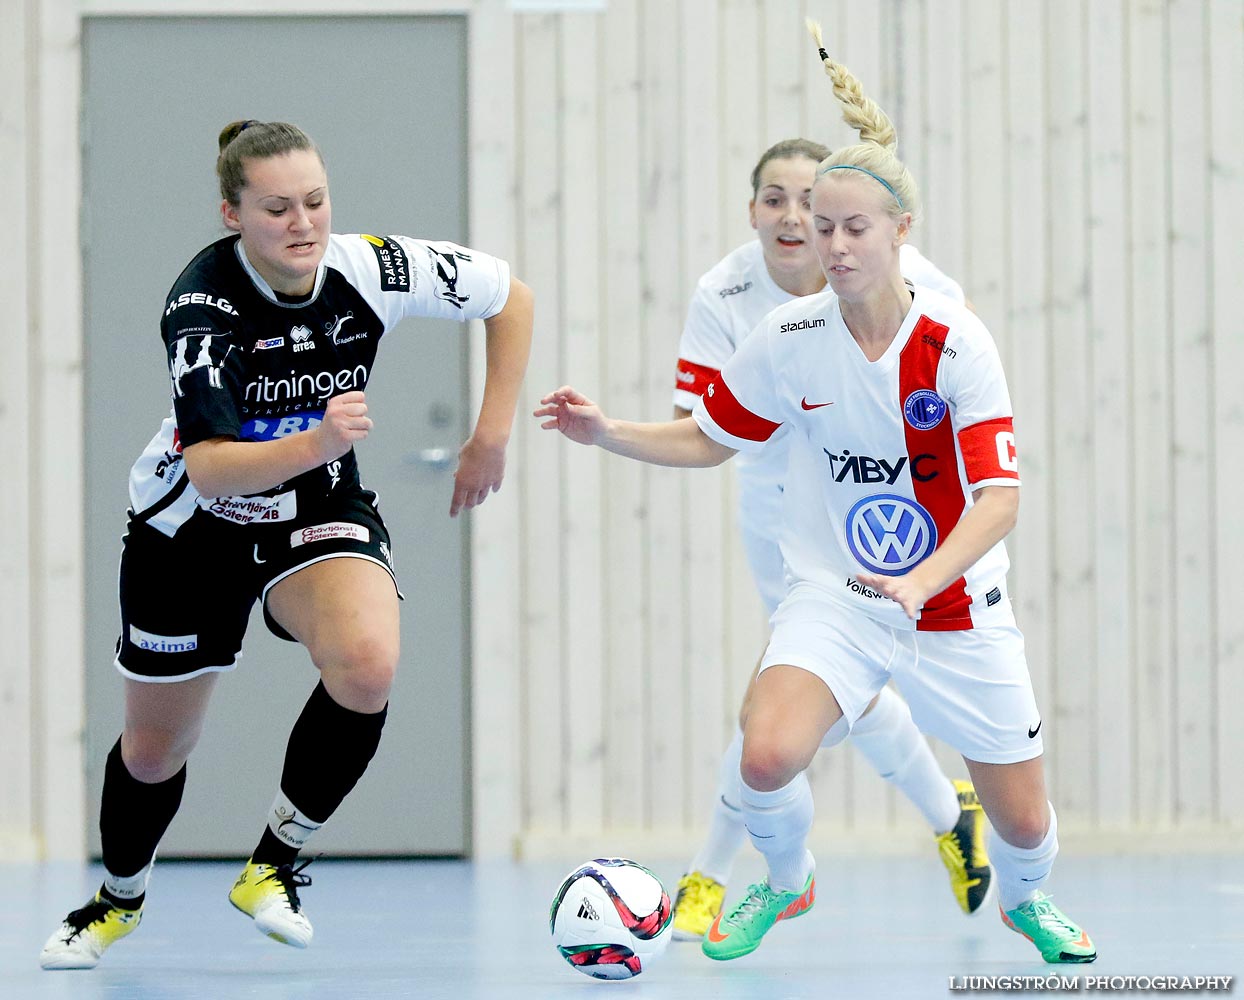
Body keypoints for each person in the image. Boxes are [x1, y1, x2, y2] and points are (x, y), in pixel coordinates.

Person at [536, 26, 1095, 966]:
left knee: (1026, 823)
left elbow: (998, 499)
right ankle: (787, 877)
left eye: (853, 228)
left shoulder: (956, 343)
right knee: (764, 755)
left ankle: (1027, 902)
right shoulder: (786, 335)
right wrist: (608, 432)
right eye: (822, 227)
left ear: (899, 232)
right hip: (836, 595)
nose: (832, 245)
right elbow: (711, 437)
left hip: (953, 604)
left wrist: (922, 582)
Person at [40, 120, 533, 970]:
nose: (304, 224)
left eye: (315, 201)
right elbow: (213, 470)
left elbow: (510, 297)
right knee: (156, 750)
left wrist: (490, 437)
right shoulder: (202, 308)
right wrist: (317, 440)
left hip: (311, 508)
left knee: (368, 662)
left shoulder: (370, 267)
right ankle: (117, 900)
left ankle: (275, 862)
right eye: (276, 209)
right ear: (232, 214)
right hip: (190, 525)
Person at [669, 138, 993, 940]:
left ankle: (711, 874)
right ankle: (950, 814)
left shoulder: (915, 285)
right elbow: (700, 430)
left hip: (882, 515)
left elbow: (970, 387)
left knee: (775, 708)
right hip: (777, 511)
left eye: (804, 201)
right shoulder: (727, 290)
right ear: (755, 213)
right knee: (840, 700)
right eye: (772, 199)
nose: (790, 217)